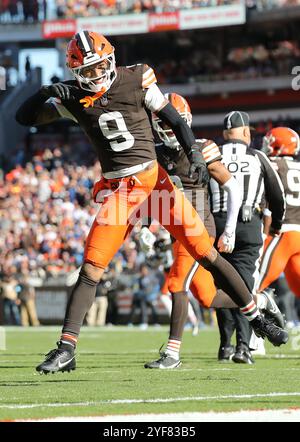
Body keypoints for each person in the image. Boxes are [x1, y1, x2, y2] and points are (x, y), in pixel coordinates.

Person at [15, 31, 288, 374]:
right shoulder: (73, 100)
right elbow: (24, 119)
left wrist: (195, 155)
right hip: (121, 191)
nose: (97, 75)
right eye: (89, 70)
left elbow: (174, 118)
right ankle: (66, 348)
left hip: (154, 183)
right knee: (91, 266)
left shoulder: (136, 79)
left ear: (111, 60)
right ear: (76, 72)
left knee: (207, 254)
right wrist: (43, 92)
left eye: (100, 66)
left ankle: (255, 317)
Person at [141, 97, 285, 369]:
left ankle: (173, 353)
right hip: (181, 232)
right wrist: (146, 226)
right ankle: (259, 300)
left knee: (176, 284)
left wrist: (229, 228)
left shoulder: (204, 148)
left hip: (201, 229)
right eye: (163, 125)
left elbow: (233, 187)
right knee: (208, 297)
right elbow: (152, 195)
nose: (169, 131)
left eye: (173, 125)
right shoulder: (156, 153)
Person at [211, 112, 286, 364]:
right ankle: (243, 346)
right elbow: (278, 198)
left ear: (224, 134)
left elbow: (199, 190)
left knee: (223, 284)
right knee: (245, 286)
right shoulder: (258, 157)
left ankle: (225, 345)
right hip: (248, 225)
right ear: (246, 133)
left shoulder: (212, 153)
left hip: (217, 222)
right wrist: (274, 225)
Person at [259, 127, 300, 298]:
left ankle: (243, 324)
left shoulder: (270, 165)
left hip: (281, 232)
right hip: (298, 231)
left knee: (252, 285)